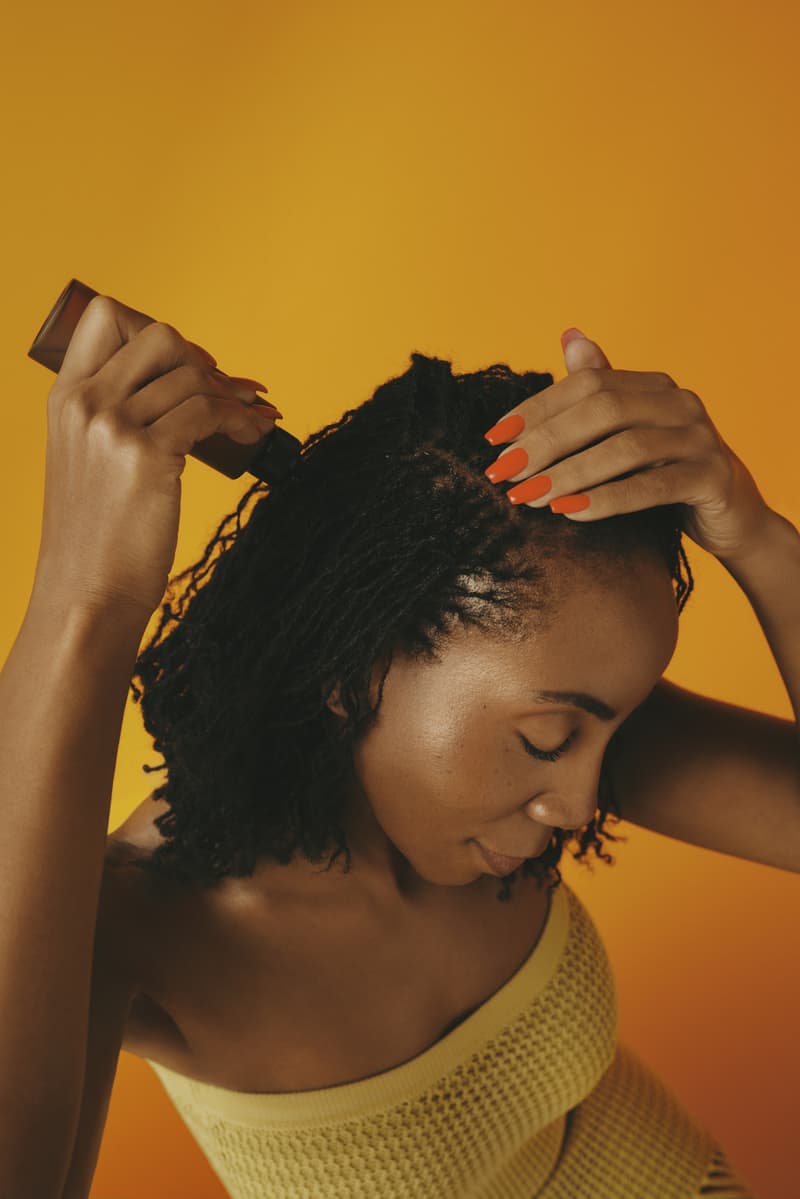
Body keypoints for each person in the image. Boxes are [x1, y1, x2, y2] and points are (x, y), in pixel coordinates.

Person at [2, 298, 796, 1198]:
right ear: (351, 665)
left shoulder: (569, 750)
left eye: (606, 726)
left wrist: (757, 537)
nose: (579, 800)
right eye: (544, 739)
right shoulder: (139, 926)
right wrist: (84, 602)